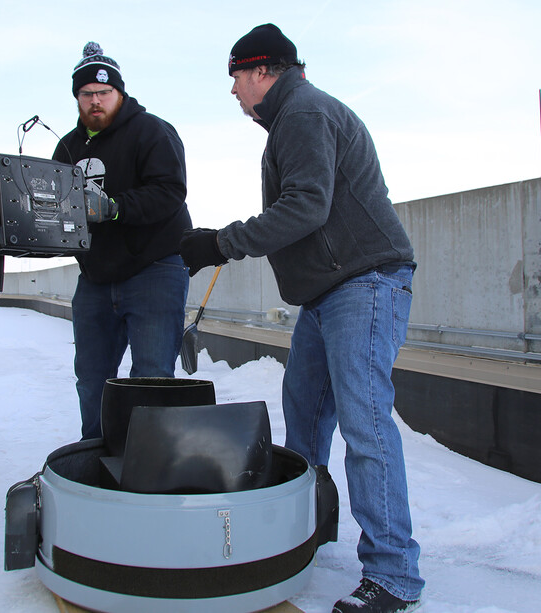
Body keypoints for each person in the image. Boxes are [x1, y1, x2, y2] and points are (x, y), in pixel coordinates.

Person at [179, 24, 424, 613]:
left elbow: (306, 206)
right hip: (329, 293)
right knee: (306, 422)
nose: (234, 90)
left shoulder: (304, 114)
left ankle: (393, 576)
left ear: (263, 70)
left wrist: (222, 243)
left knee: (366, 427)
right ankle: (300, 533)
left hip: (363, 285)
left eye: (236, 77)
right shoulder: (295, 117)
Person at [53, 42, 192, 440]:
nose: (95, 101)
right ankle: (95, 458)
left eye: (103, 93)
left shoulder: (152, 131)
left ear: (120, 92)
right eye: (86, 94)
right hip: (95, 278)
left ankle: (149, 467)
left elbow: (170, 191)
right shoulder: (67, 146)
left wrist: (114, 207)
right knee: (92, 379)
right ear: (76, 97)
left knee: (151, 378)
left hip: (154, 269)